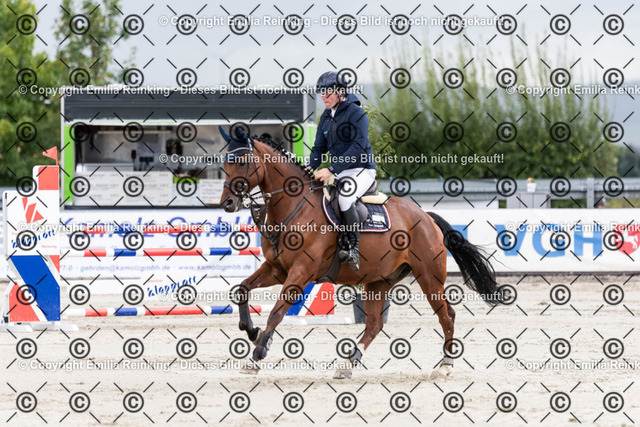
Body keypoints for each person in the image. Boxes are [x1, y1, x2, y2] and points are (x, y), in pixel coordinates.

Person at [308, 71, 377, 270]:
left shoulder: (356, 113)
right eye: (321, 93)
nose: (323, 97)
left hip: (362, 168)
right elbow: (319, 148)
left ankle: (353, 248)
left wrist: (331, 169)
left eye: (327, 92)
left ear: (340, 92)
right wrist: (310, 167)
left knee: (345, 197)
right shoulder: (326, 117)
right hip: (341, 171)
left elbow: (358, 147)